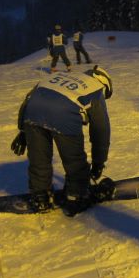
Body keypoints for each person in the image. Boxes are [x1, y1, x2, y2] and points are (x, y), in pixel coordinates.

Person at [11, 66, 113, 216]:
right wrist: (99, 162)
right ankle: (76, 197)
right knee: (74, 161)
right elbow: (101, 130)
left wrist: (23, 130)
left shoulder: (60, 76)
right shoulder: (95, 89)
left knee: (39, 159)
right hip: (63, 116)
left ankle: (40, 197)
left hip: (32, 111)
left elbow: (30, 97)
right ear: (104, 83)